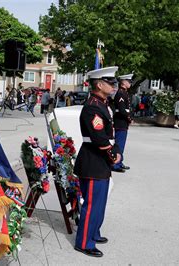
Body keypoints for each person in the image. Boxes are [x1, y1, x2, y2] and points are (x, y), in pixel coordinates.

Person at [74, 66, 121, 257]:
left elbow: (111, 134)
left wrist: (116, 150)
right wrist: (112, 156)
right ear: (99, 84)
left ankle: (94, 232)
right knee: (92, 204)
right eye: (110, 83)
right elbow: (99, 137)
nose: (114, 86)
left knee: (100, 202)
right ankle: (84, 242)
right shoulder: (93, 106)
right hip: (94, 159)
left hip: (101, 160)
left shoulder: (104, 104)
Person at [112, 74, 133, 173]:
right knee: (119, 144)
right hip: (120, 121)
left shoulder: (124, 92)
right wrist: (129, 118)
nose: (130, 83)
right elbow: (121, 110)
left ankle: (119, 162)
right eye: (129, 81)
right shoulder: (120, 93)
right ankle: (116, 164)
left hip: (122, 122)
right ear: (123, 82)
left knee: (121, 144)